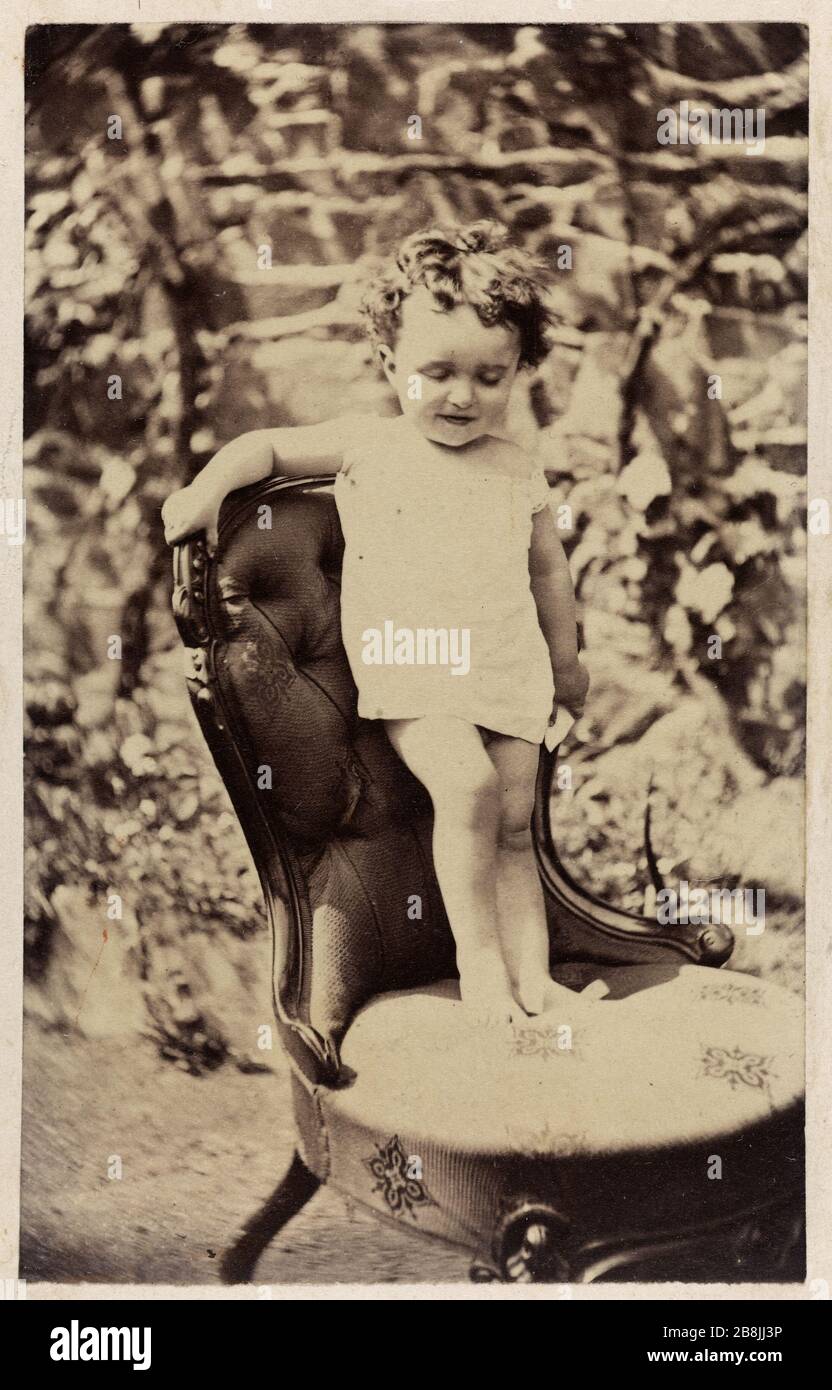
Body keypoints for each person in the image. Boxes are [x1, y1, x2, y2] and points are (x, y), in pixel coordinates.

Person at [162, 219, 590, 1028]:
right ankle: (482, 972)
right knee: (464, 790)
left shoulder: (516, 469)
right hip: (415, 667)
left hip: (506, 666)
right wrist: (205, 493)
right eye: (438, 373)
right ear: (392, 362)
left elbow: (547, 572)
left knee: (513, 821)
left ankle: (540, 983)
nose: (462, 395)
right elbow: (265, 450)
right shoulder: (371, 445)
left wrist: (566, 666)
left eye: (489, 377)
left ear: (521, 372)